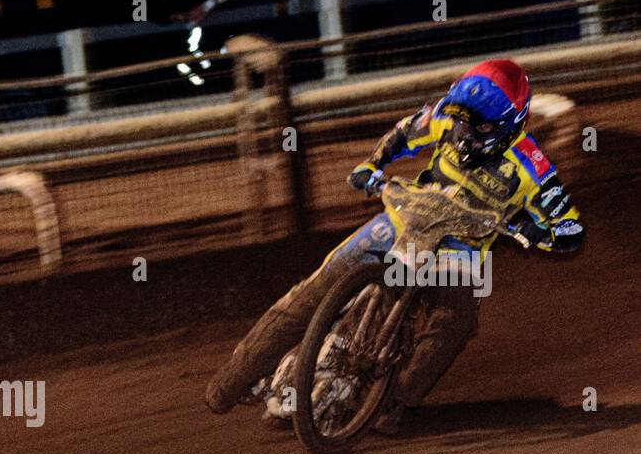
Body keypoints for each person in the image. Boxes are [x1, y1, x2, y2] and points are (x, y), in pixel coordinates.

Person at [204, 59, 584, 432]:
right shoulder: (446, 119)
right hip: (406, 217)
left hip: (461, 249)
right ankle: (233, 380)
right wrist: (372, 166)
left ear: (510, 125)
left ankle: (392, 403)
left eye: (477, 126)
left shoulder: (533, 168)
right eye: (462, 121)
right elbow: (405, 132)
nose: (464, 132)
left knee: (454, 323)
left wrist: (536, 233)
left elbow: (570, 229)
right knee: (318, 287)